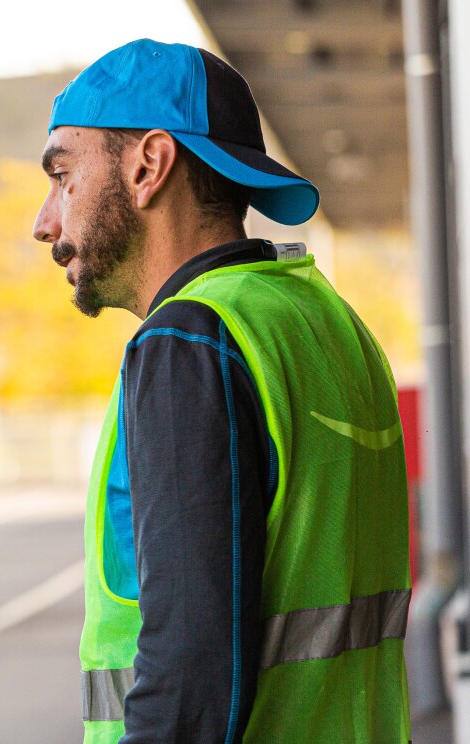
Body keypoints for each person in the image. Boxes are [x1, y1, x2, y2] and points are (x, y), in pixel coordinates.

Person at [32, 40, 411, 742]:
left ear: (148, 165)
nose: (45, 221)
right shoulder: (332, 326)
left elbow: (189, 670)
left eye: (63, 175)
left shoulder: (189, 341)